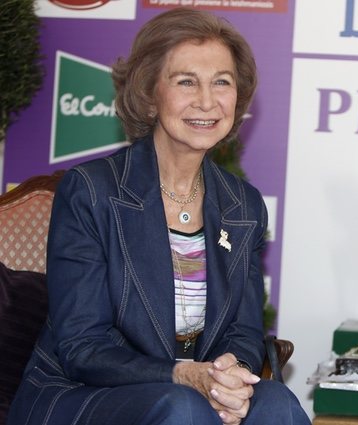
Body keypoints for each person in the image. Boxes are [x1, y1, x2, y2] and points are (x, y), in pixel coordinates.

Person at [8, 8, 310, 425]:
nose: (207, 100)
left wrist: (228, 380)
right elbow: (83, 347)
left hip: (195, 392)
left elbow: (243, 330)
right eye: (186, 81)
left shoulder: (244, 205)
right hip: (82, 393)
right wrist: (184, 376)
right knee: (183, 407)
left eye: (221, 82)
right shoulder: (93, 191)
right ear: (150, 95)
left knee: (275, 402)